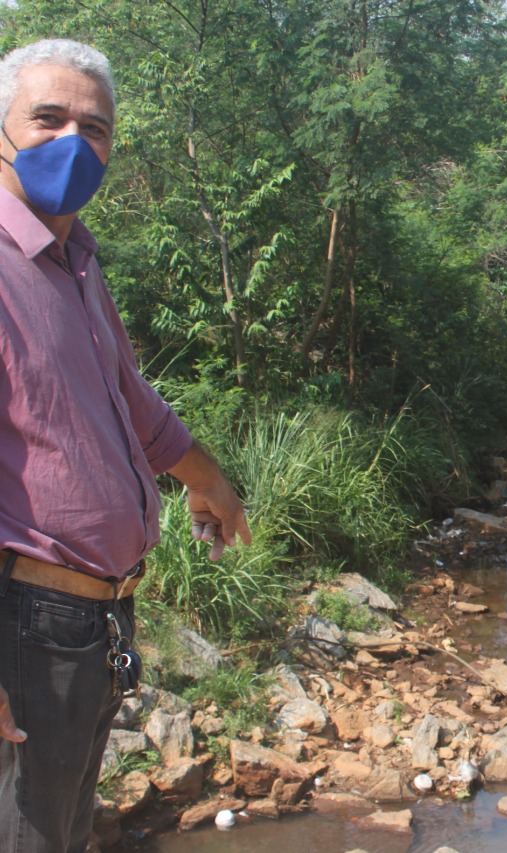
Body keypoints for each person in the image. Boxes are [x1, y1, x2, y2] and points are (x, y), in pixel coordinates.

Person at [0, 39, 252, 851]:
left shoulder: (74, 261)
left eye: (95, 127)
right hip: (23, 619)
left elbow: (130, 402)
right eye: (48, 118)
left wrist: (208, 480)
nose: (73, 142)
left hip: (88, 623)